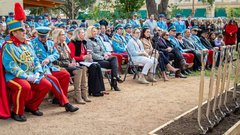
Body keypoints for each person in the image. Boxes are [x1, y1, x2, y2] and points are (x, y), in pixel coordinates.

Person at [1, 3, 48, 122]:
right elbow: (10, 66)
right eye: (21, 30)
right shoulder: (8, 46)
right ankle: (17, 112)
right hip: (13, 77)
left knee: (46, 85)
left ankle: (32, 106)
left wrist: (38, 72)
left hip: (31, 74)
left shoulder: (28, 44)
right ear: (14, 33)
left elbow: (35, 59)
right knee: (24, 86)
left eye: (25, 30)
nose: (25, 32)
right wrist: (26, 76)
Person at [31, 26, 79, 112]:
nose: (43, 39)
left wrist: (49, 58)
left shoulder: (50, 43)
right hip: (40, 69)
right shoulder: (32, 43)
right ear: (38, 35)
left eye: (45, 37)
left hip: (50, 67)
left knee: (65, 75)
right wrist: (41, 62)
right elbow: (32, 57)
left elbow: (56, 54)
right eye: (41, 37)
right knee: (53, 80)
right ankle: (65, 102)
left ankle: (59, 99)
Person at [52, 29, 91, 104]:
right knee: (79, 70)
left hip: (68, 65)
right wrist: (68, 64)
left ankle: (84, 94)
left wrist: (73, 62)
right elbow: (54, 61)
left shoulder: (64, 45)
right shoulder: (55, 46)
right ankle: (78, 95)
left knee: (83, 68)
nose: (65, 36)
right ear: (58, 36)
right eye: (62, 34)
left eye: (64, 34)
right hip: (60, 67)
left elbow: (70, 58)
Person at [68, 28, 106, 96]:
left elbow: (84, 53)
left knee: (97, 65)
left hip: (84, 61)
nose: (84, 34)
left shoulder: (82, 42)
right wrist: (82, 57)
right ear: (77, 34)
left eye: (83, 32)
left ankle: (100, 89)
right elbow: (72, 57)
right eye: (82, 33)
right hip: (76, 62)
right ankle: (94, 90)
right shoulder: (72, 43)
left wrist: (88, 55)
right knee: (93, 66)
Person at [86, 26, 123, 91]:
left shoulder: (97, 39)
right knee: (113, 64)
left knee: (114, 58)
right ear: (90, 32)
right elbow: (92, 54)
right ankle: (114, 81)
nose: (96, 32)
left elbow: (103, 50)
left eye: (96, 31)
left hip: (102, 58)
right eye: (94, 31)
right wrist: (102, 57)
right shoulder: (88, 41)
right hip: (96, 60)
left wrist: (105, 55)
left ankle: (115, 78)